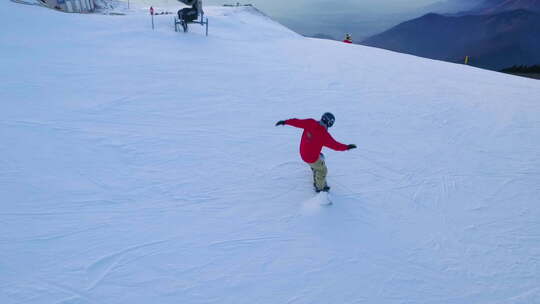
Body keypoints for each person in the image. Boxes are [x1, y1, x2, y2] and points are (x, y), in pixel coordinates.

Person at [276, 113, 356, 193]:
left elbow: (297, 122)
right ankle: (320, 188)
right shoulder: (325, 135)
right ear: (330, 124)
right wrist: (347, 147)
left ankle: (314, 168)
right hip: (311, 158)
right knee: (323, 170)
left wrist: (285, 122)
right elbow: (336, 145)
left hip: (303, 153)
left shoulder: (310, 122)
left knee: (320, 156)